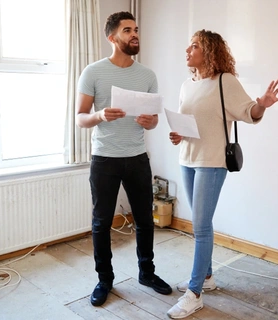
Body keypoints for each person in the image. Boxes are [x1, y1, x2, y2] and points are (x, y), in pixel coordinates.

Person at [166, 29, 278, 319]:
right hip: (187, 158)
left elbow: (249, 112)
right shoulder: (187, 85)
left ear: (209, 52)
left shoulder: (225, 81)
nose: (187, 50)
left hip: (212, 161)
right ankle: (207, 277)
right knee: (200, 223)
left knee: (201, 226)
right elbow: (192, 123)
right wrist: (177, 135)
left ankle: (194, 293)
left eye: (194, 46)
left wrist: (263, 104)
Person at [76, 11, 172, 307]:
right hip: (105, 159)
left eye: (136, 29)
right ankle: (104, 279)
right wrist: (100, 115)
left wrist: (149, 122)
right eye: (127, 30)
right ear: (112, 38)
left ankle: (147, 273)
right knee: (101, 222)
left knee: (145, 220)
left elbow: (154, 120)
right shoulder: (92, 72)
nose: (135, 34)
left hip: (138, 157)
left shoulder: (147, 76)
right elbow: (80, 118)